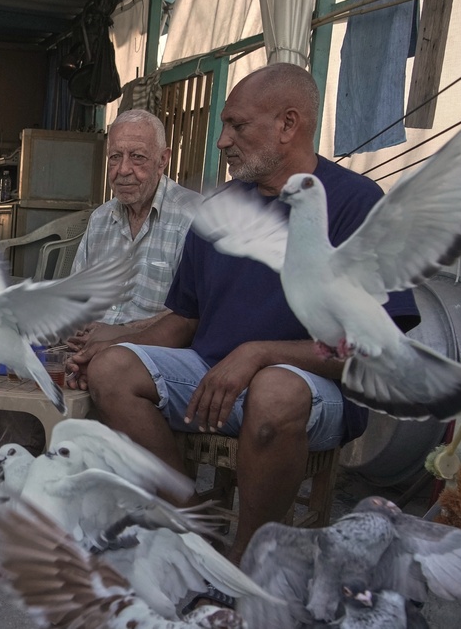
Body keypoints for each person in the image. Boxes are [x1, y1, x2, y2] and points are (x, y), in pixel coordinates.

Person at [68, 63, 420, 563]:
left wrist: (258, 354)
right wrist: (114, 344)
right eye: (224, 127)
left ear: (288, 124)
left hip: (314, 392)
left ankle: (249, 559)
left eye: (237, 126)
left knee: (275, 389)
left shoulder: (358, 204)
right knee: (112, 370)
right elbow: (182, 321)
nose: (222, 141)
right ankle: (196, 525)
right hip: (214, 377)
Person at [0, 109, 203, 455]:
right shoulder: (102, 218)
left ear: (164, 159)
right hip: (90, 348)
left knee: (104, 375)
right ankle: (17, 489)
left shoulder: (194, 217)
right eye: (115, 157)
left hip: (151, 356)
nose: (122, 171)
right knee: (19, 366)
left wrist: (118, 337)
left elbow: (194, 317)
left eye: (137, 158)